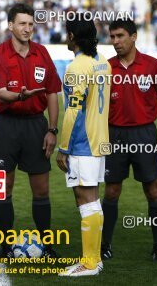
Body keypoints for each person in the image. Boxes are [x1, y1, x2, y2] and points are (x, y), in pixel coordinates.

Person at [0, 3, 61, 258]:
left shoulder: (42, 53)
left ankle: (48, 246)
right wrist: (21, 95)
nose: (27, 28)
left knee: (41, 189)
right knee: (2, 188)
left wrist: (52, 129)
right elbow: (0, 93)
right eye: (22, 23)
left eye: (31, 24)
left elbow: (52, 93)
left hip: (36, 125)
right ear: (10, 26)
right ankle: (6, 246)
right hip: (5, 124)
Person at [101, 19, 157, 262]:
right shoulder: (106, 67)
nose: (115, 41)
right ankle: (105, 245)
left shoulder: (152, 66)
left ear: (133, 37)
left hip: (144, 135)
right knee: (111, 190)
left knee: (153, 190)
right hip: (114, 134)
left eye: (120, 36)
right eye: (112, 37)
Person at [56, 18, 111, 277]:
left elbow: (73, 110)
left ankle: (90, 263)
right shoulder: (103, 62)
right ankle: (94, 259)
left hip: (83, 143)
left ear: (72, 36)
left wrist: (63, 147)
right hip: (100, 141)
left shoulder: (76, 66)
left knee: (85, 199)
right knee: (93, 200)